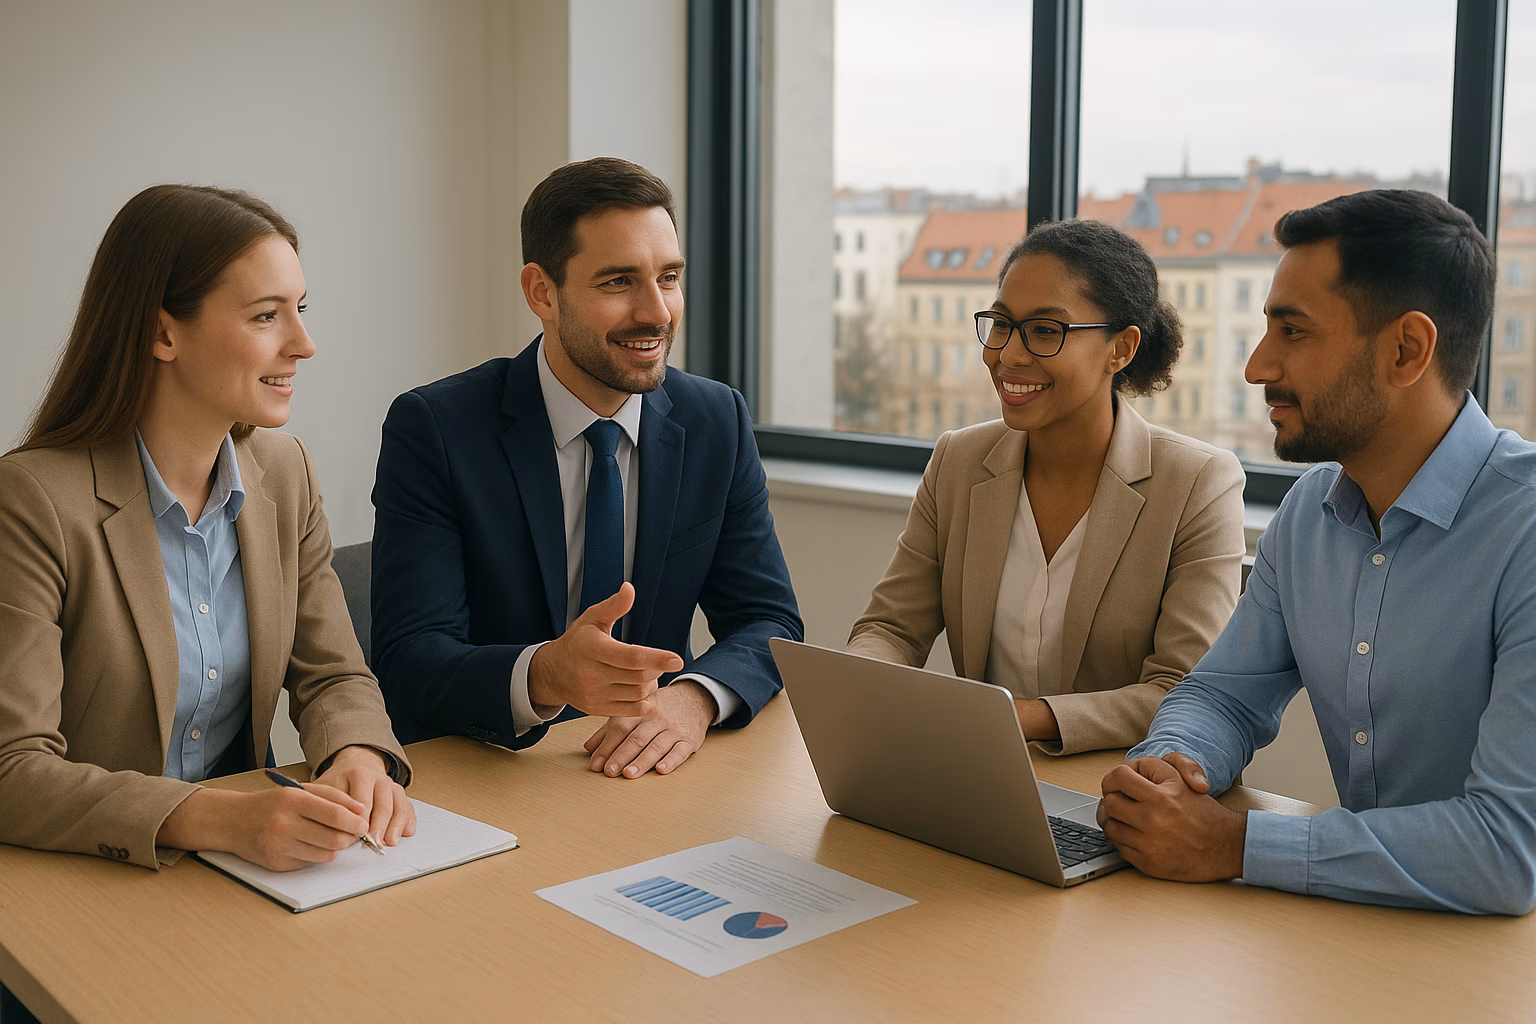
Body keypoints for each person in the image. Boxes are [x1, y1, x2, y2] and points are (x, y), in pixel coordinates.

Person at [1098, 189, 1536, 915]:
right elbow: (1222, 696)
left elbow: (1504, 850)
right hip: (1374, 933)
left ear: (1406, 350)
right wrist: (1167, 771)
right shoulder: (1311, 512)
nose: (1256, 366)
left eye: (1292, 333)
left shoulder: (1523, 530)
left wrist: (1232, 844)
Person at [0, 185, 413, 881]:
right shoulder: (33, 501)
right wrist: (217, 817)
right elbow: (12, 767)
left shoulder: (286, 474)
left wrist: (358, 756)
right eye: (265, 316)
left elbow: (334, 673)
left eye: (300, 310)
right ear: (163, 334)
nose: (303, 344)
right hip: (87, 881)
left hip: (245, 873)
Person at [371, 157, 802, 779]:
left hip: (649, 771)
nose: (656, 312)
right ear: (542, 292)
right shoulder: (436, 427)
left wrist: (696, 697)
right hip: (490, 774)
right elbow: (409, 659)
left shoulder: (716, 420)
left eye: (670, 277)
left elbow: (770, 621)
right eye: (618, 282)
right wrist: (543, 674)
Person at [848, 219, 1246, 754]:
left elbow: (1182, 690)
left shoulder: (1198, 484)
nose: (1008, 355)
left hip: (1125, 790)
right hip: (981, 775)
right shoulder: (958, 462)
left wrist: (1017, 719)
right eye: (1001, 324)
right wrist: (859, 685)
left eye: (1044, 331)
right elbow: (892, 630)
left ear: (1121, 349)